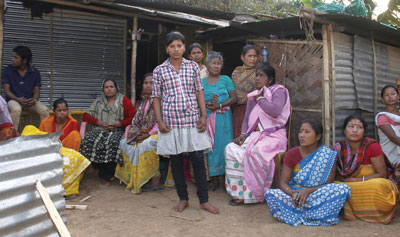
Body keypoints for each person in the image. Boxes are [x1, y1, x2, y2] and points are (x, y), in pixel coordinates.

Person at [152, 31, 219, 214]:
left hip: (192, 120)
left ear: (184, 47)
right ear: (167, 49)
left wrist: (203, 116)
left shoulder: (193, 68)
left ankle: (204, 200)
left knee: (198, 159)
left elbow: (199, 92)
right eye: (172, 46)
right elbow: (156, 97)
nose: (176, 49)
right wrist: (159, 120)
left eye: (179, 46)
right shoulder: (159, 70)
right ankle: (183, 199)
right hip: (171, 121)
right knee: (176, 161)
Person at [225, 64, 290, 205]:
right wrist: (243, 134)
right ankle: (238, 192)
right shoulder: (253, 96)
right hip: (255, 136)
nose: (257, 78)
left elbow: (275, 111)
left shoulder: (279, 91)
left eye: (262, 76)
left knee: (255, 152)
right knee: (230, 149)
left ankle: (254, 194)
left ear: (271, 79)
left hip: (274, 136)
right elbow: (247, 119)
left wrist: (260, 99)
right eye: (257, 75)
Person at [265, 119, 351, 226]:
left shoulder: (328, 155)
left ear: (318, 136)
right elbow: (283, 182)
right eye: (300, 132)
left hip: (317, 195)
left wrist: (307, 191)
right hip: (294, 196)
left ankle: (299, 215)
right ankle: (315, 216)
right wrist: (293, 193)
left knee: (343, 189)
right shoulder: (292, 153)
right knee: (271, 194)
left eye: (307, 132)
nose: (301, 135)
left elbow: (328, 184)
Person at [333, 115, 398, 224]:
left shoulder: (372, 146)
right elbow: (336, 175)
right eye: (351, 126)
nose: (355, 130)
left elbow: (382, 174)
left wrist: (357, 180)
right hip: (347, 183)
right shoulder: (338, 148)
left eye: (359, 127)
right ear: (344, 131)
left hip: (371, 182)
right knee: (336, 187)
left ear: (364, 131)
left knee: (377, 186)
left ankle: (374, 214)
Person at [80, 79, 135, 185]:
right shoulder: (98, 102)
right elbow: (85, 115)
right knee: (88, 140)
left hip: (118, 130)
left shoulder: (124, 100)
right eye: (106, 87)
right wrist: (100, 122)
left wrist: (118, 124)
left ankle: (106, 175)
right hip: (100, 129)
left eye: (111, 87)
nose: (109, 89)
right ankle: (97, 166)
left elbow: (132, 117)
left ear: (116, 88)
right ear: (103, 89)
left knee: (112, 143)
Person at [115, 73, 163, 193]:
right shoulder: (144, 102)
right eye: (146, 83)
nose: (148, 86)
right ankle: (133, 179)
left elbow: (161, 121)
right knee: (125, 142)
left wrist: (148, 134)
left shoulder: (161, 100)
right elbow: (136, 121)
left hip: (159, 132)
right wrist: (131, 133)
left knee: (146, 144)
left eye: (151, 83)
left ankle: (153, 181)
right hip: (143, 132)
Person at [203, 52, 237, 190]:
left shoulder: (226, 79)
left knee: (223, 145)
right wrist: (207, 104)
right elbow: (196, 99)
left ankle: (225, 178)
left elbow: (234, 98)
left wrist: (220, 105)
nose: (216, 66)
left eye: (219, 63)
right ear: (207, 65)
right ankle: (213, 178)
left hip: (223, 119)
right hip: (207, 118)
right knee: (210, 147)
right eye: (213, 63)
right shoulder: (201, 82)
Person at [2, 46, 49, 130]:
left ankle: (44, 136)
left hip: (29, 102)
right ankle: (11, 137)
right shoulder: (7, 70)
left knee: (44, 110)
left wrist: (33, 100)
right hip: (12, 100)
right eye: (12, 56)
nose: (12, 59)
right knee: (16, 109)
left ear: (24, 61)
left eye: (15, 57)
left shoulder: (35, 72)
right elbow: (7, 91)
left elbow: (36, 91)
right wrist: (18, 99)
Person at [231, 45, 258, 138]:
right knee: (239, 138)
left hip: (255, 109)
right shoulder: (237, 72)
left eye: (255, 56)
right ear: (242, 57)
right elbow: (234, 93)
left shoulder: (259, 73)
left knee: (254, 137)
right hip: (239, 110)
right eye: (249, 56)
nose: (253, 59)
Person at [376, 85, 400, 171]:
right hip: (391, 155)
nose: (390, 97)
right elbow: (393, 137)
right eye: (386, 95)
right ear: (382, 99)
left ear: (398, 96)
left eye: (393, 94)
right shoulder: (382, 117)